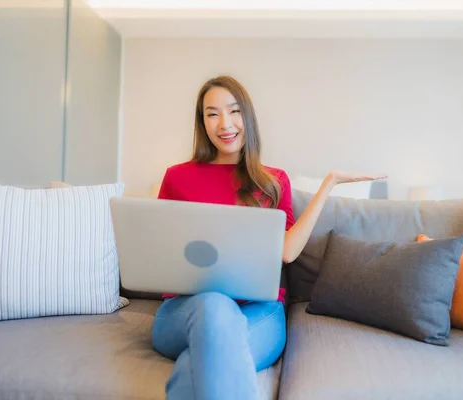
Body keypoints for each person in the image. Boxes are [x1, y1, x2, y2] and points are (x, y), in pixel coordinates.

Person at [150, 75, 386, 400]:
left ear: (247, 116)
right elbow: (160, 250)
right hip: (186, 310)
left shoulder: (273, 181)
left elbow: (286, 253)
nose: (225, 123)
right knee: (215, 307)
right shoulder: (177, 177)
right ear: (201, 122)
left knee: (204, 357)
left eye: (234, 111)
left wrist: (329, 183)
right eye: (212, 113)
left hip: (258, 311)